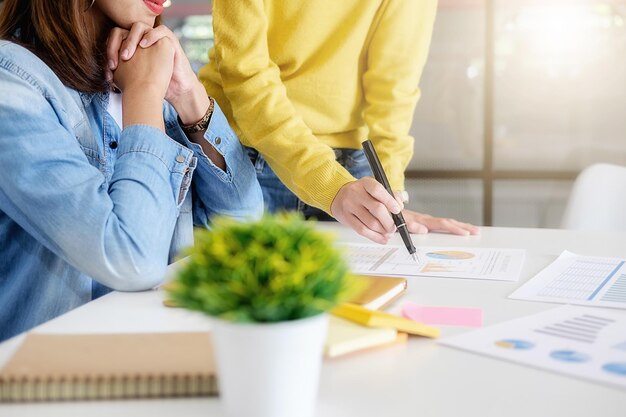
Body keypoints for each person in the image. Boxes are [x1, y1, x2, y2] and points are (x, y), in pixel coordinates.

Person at [0, 0, 263, 342]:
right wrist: (145, 93)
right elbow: (132, 261)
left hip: (149, 359)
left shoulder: (140, 69)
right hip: (48, 384)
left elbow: (243, 228)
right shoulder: (13, 84)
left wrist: (189, 96)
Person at [198, 0, 480, 245]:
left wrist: (389, 194)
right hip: (241, 156)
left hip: (349, 175)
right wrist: (328, 183)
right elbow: (246, 74)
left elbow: (394, 91)